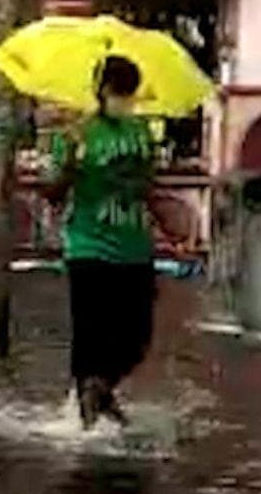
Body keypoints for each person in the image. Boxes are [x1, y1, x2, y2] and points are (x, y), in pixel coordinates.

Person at [44, 55, 180, 429]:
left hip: (134, 247)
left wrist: (171, 229)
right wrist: (69, 162)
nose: (126, 100)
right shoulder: (76, 134)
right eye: (120, 92)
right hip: (89, 246)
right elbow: (53, 193)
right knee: (90, 337)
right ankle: (88, 417)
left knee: (137, 337)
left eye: (130, 93)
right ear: (102, 91)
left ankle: (99, 391)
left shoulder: (140, 132)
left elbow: (148, 187)